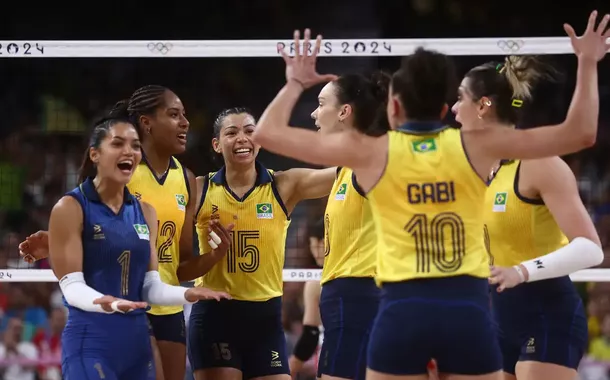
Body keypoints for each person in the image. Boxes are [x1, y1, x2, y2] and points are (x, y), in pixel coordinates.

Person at [251, 15, 609, 380]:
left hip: (401, 311)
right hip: (467, 310)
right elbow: (580, 133)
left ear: (393, 109)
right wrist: (588, 62)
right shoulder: (477, 147)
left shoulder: (371, 153)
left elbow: (268, 133)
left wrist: (296, 82)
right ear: (443, 111)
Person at [19, 85, 232, 380]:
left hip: (166, 306)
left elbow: (181, 265)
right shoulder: (118, 172)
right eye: (173, 115)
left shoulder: (184, 178)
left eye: (184, 115)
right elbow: (89, 226)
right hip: (124, 307)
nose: (185, 122)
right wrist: (56, 240)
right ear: (147, 123)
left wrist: (213, 258)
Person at [456, 59, 603, 380]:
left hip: (547, 314)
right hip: (498, 317)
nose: (453, 109)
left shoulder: (538, 163)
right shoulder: (480, 169)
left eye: (459, 98)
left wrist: (522, 271)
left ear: (483, 106)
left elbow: (591, 249)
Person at [187, 107, 337, 380]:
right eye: (231, 133)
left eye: (249, 131)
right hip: (215, 317)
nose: (242, 138)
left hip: (266, 319)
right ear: (216, 144)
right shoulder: (200, 190)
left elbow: (342, 174)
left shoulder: (284, 184)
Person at [289, 218, 324, 379]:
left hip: (332, 357)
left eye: (316, 244)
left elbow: (311, 333)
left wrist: (290, 367)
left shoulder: (316, 283)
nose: (314, 250)